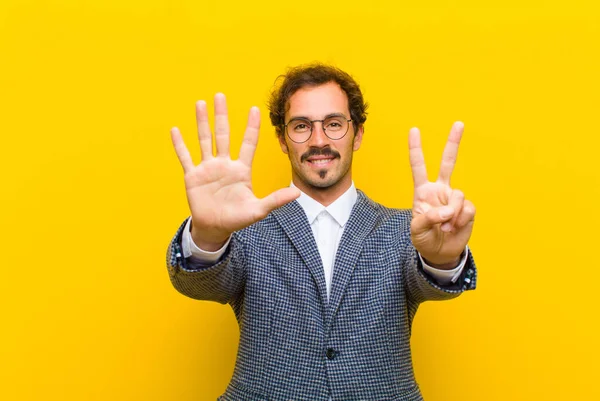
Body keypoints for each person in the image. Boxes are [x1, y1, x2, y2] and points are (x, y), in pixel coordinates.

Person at [166, 63, 477, 401]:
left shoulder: (408, 230)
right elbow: (198, 284)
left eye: (333, 124)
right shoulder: (243, 229)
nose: (318, 140)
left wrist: (443, 258)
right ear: (283, 140)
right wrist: (208, 235)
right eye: (301, 126)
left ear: (357, 134)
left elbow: (434, 286)